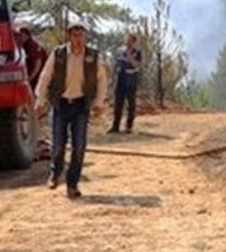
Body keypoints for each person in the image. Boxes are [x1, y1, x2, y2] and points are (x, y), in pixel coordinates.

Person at [34, 23, 108, 199]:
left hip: (81, 105)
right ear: (69, 36)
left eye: (81, 35)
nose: (79, 39)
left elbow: (102, 79)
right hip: (61, 104)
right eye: (75, 35)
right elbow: (45, 77)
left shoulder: (92, 56)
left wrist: (98, 102)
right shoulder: (58, 54)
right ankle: (55, 172)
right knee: (58, 144)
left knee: (79, 146)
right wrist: (40, 101)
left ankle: (72, 184)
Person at [108, 33, 143, 134]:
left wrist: (129, 55)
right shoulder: (119, 51)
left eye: (130, 40)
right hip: (120, 79)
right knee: (118, 103)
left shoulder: (137, 52)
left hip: (131, 80)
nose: (128, 42)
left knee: (131, 104)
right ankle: (115, 126)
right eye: (126, 40)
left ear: (134, 42)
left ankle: (129, 126)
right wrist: (112, 78)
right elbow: (115, 64)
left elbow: (137, 65)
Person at [16, 25, 49, 91]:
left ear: (26, 36)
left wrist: (30, 78)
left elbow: (38, 64)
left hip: (39, 75)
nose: (18, 38)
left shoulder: (32, 46)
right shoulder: (23, 46)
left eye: (20, 36)